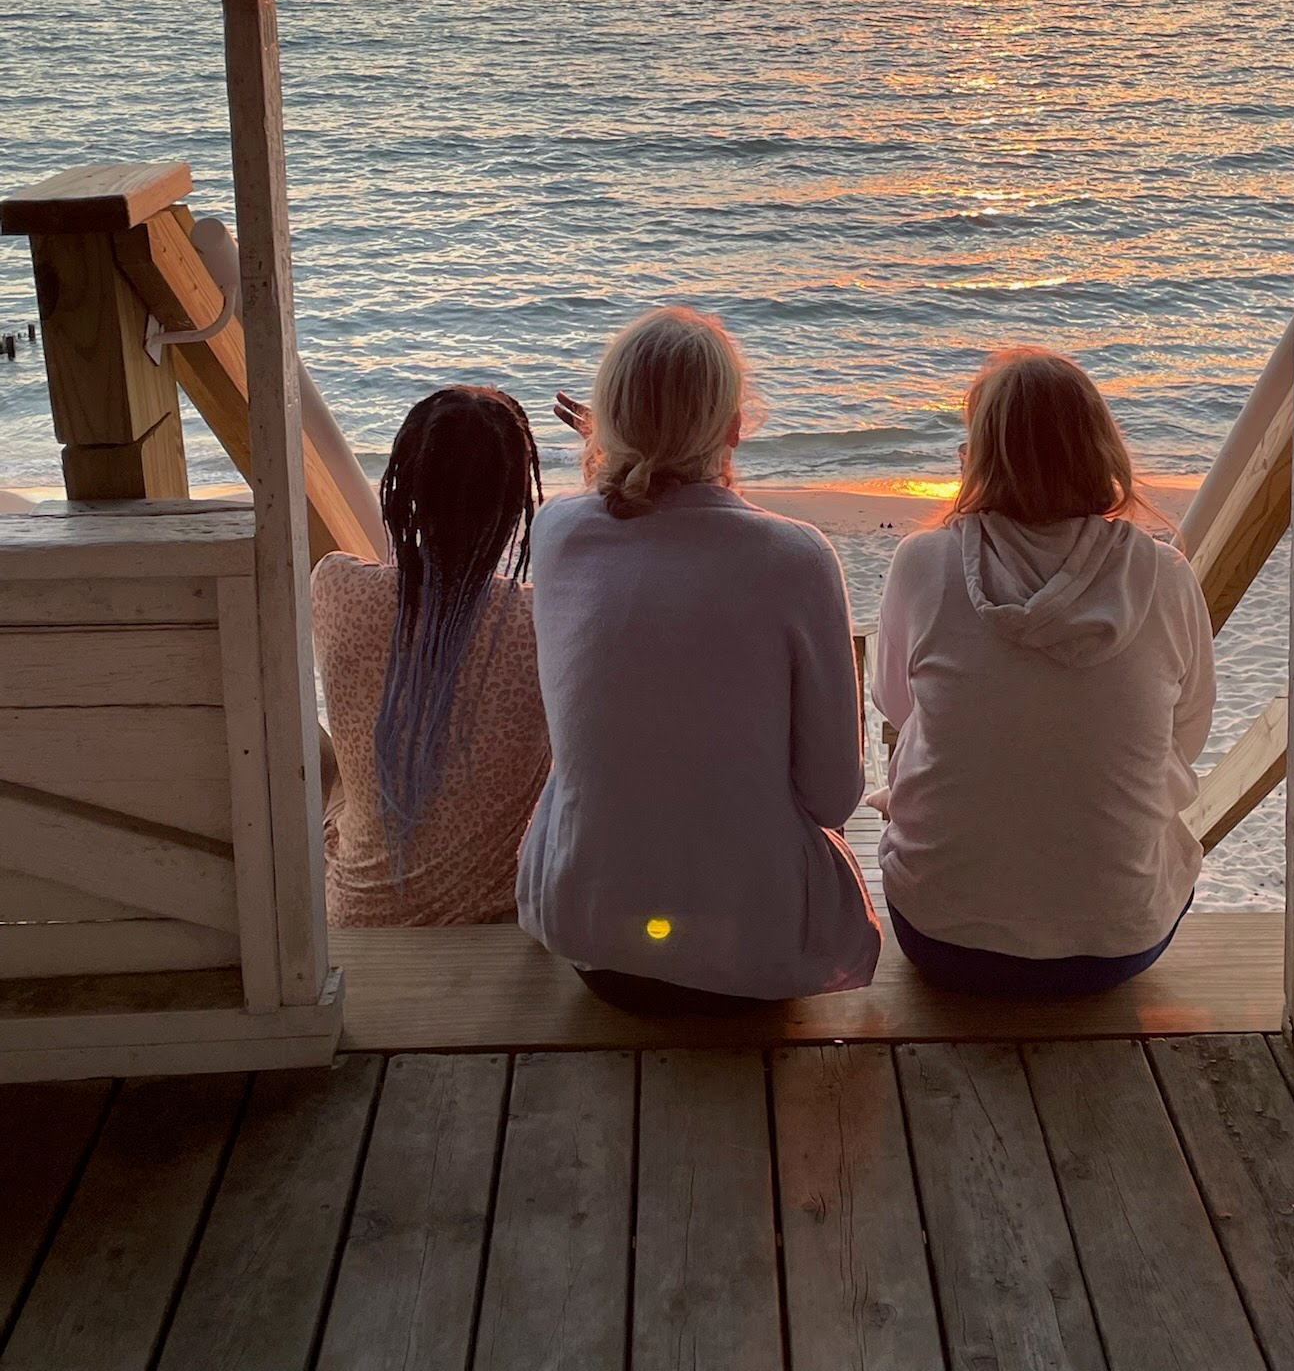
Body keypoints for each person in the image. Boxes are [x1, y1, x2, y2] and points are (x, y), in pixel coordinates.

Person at [516, 306, 880, 1011]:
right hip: (754, 954)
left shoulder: (557, 531)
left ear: (607, 422)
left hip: (593, 936)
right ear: (736, 428)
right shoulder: (795, 559)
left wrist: (619, 441)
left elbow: (627, 505)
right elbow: (834, 796)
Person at [871, 346, 1215, 999]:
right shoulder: (1165, 575)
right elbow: (1186, 736)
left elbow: (895, 705)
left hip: (943, 937)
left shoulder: (924, 562)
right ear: (1100, 451)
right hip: (1120, 942)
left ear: (976, 458)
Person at [314, 385, 550, 927]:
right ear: (516, 503)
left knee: (324, 745)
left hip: (357, 911)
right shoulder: (542, 622)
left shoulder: (334, 585)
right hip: (500, 914)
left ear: (404, 489)